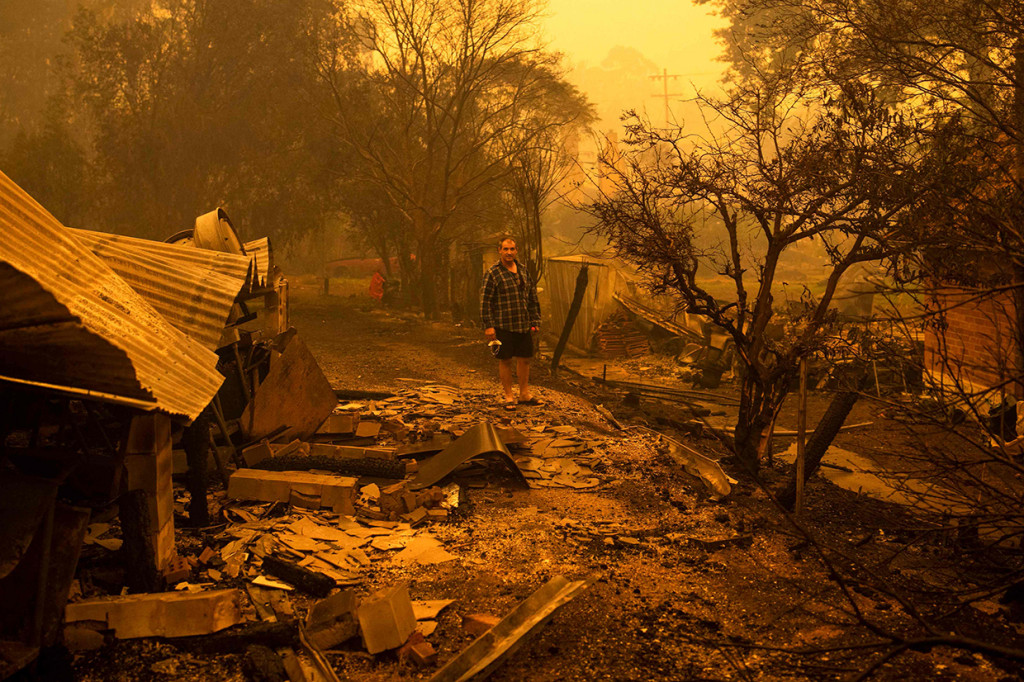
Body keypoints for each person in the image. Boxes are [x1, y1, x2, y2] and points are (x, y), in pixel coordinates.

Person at [480, 236, 543, 410]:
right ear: (499, 250)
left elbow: (532, 297)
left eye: (512, 249)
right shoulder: (493, 273)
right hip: (503, 325)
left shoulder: (523, 271)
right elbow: (485, 302)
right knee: (505, 360)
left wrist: (535, 320)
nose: (509, 252)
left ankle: (524, 394)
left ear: (516, 251)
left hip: (523, 324)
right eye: (505, 249)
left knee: (525, 359)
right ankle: (509, 396)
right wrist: (489, 326)